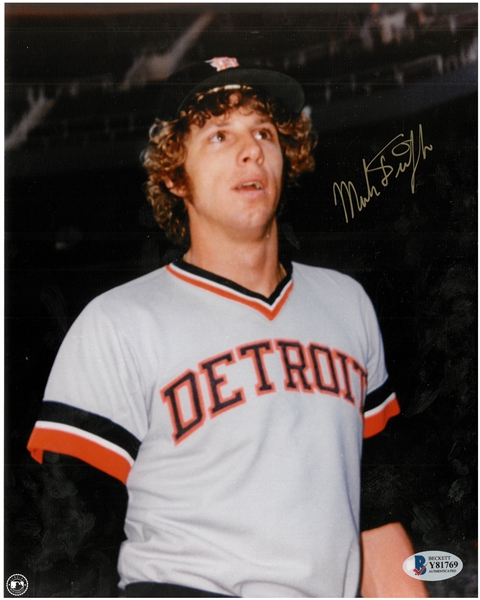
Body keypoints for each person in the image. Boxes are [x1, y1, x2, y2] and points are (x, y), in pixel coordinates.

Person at [27, 57, 428, 598]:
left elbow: (378, 516)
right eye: (219, 135)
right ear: (173, 173)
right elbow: (72, 541)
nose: (251, 149)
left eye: (264, 131)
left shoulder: (346, 303)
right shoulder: (118, 322)